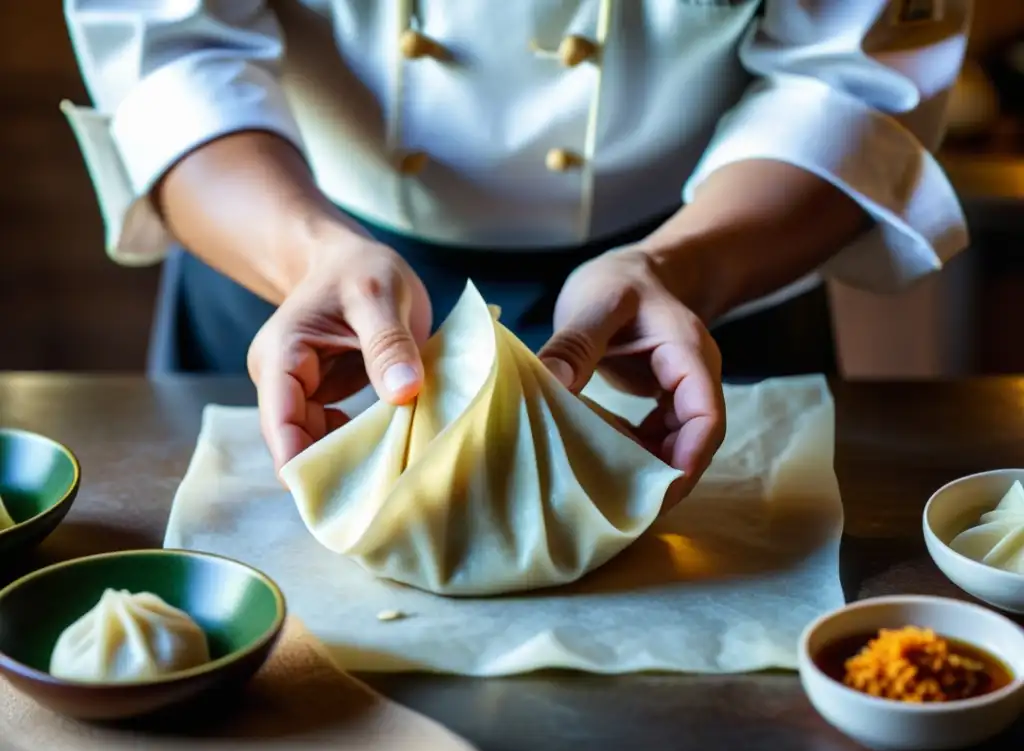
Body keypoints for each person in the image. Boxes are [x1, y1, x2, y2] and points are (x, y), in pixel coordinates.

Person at [62, 0, 971, 498]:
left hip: (696, 279)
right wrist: (305, 256)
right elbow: (170, 53)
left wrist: (680, 266)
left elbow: (853, 78)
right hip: (298, 272)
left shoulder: (688, 270)